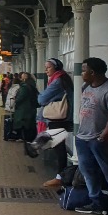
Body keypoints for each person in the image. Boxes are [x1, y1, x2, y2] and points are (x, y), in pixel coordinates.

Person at [72, 56, 108, 215]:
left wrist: (104, 136)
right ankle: (97, 202)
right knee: (88, 172)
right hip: (83, 138)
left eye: (84, 70)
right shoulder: (86, 87)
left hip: (102, 140)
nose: (82, 73)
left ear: (93, 72)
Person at [37, 58, 74, 187]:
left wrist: (47, 98)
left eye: (48, 67)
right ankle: (61, 176)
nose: (46, 69)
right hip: (62, 118)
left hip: (58, 119)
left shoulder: (57, 81)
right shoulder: (63, 78)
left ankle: (60, 177)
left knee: (59, 148)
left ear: (56, 68)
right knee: (58, 146)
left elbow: (41, 99)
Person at [12, 72, 38, 142]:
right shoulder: (33, 86)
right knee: (30, 124)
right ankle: (30, 138)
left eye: (22, 78)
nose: (21, 79)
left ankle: (24, 138)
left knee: (23, 124)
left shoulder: (24, 87)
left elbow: (20, 98)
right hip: (31, 108)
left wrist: (15, 99)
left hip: (24, 109)